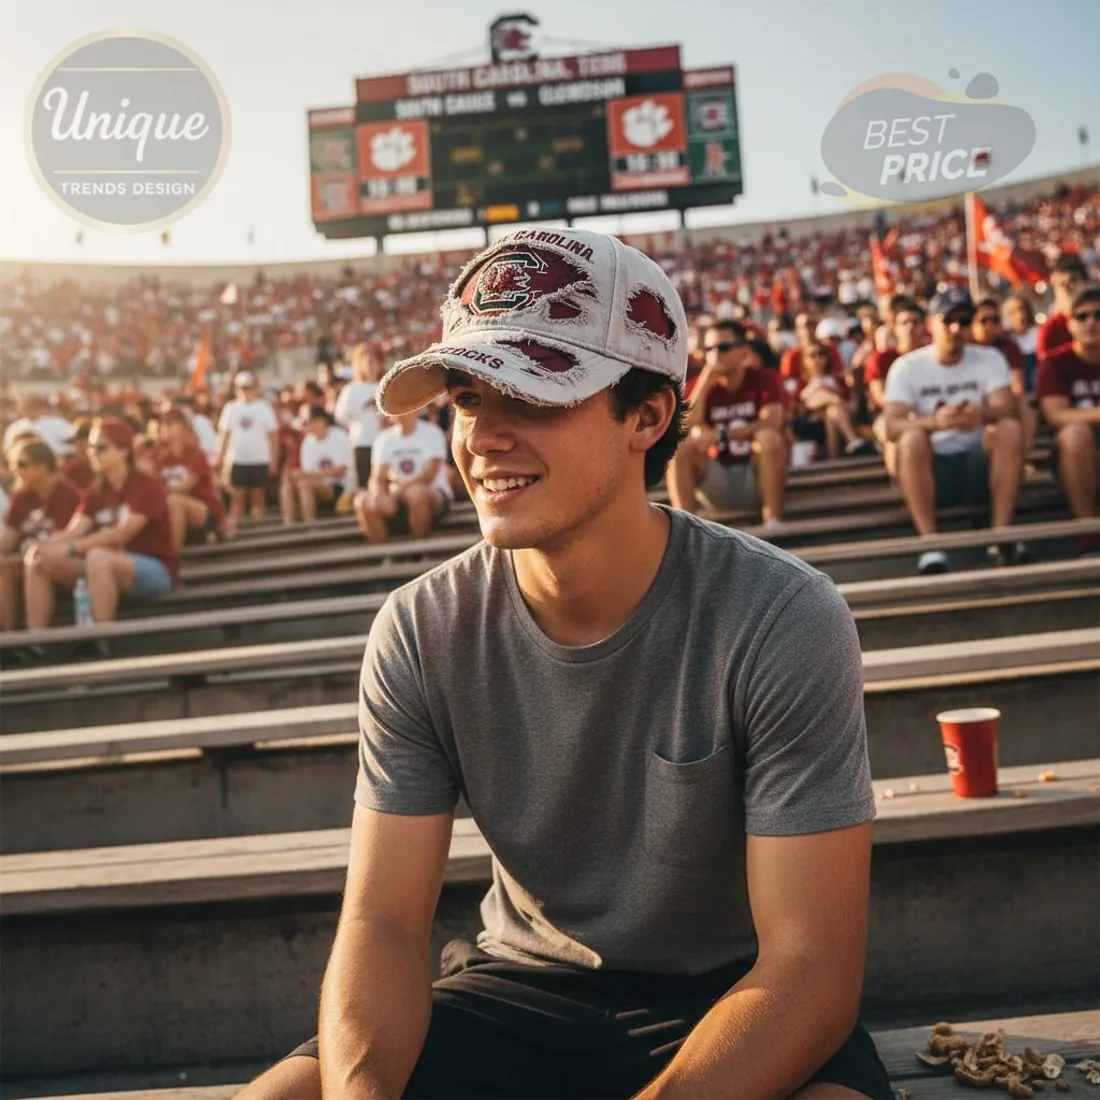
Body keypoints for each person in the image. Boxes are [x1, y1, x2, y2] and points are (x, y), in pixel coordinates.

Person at [238, 226, 892, 1100]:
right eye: (468, 398)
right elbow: (385, 922)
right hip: (521, 984)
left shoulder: (780, 614)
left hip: (732, 994)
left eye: (536, 395)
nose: (482, 438)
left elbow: (809, 968)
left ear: (649, 415)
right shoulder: (421, 627)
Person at [884, 288, 1024, 574]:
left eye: (963, 320)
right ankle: (930, 541)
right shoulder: (907, 367)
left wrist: (981, 414)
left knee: (1008, 429)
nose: (956, 328)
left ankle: (1001, 535)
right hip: (932, 466)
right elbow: (891, 426)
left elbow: (1008, 408)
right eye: (948, 320)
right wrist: (934, 422)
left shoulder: (990, 357)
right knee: (910, 439)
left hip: (978, 461)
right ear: (931, 324)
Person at [23, 418, 178, 627]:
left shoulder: (145, 485)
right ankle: (36, 643)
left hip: (155, 569)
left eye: (101, 448)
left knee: (98, 557)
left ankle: (99, 639)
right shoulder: (96, 490)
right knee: (39, 559)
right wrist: (45, 546)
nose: (93, 453)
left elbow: (125, 532)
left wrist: (72, 548)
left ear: (124, 451)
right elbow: (74, 530)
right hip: (106, 566)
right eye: (90, 448)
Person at [667, 319, 787, 525]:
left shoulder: (764, 379)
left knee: (768, 439)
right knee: (680, 450)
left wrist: (721, 435)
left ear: (743, 353)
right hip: (717, 479)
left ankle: (772, 520)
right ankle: (684, 531)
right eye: (709, 348)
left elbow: (771, 423)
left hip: (757, 477)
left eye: (723, 347)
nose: (715, 354)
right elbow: (682, 428)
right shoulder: (700, 386)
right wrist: (706, 380)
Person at [1036, 284, 1100, 552]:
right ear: (1070, 324)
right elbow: (1056, 414)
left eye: (1099, 316)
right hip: (1072, 453)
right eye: (1082, 317)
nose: (1091, 323)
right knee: (1076, 434)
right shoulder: (1054, 361)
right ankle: (1088, 530)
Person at [0, 439, 82, 631]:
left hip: (55, 559)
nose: (16, 471)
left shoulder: (68, 495)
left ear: (42, 466)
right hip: (22, 558)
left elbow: (64, 541)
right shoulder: (22, 497)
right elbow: (10, 534)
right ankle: (8, 638)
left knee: (8, 566)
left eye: (22, 465)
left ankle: (27, 637)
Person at [354, 410, 452, 543]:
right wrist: (379, 494)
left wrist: (397, 492)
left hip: (433, 492)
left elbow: (429, 475)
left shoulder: (432, 432)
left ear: (416, 412)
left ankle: (420, 550)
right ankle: (383, 555)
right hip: (397, 495)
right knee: (363, 501)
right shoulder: (384, 438)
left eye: (405, 410)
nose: (401, 414)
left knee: (415, 494)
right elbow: (377, 476)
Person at [865, 300, 926, 477]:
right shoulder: (881, 359)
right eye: (904, 322)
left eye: (916, 322)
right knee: (892, 429)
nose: (911, 327)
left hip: (928, 411)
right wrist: (907, 413)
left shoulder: (932, 355)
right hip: (889, 414)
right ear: (895, 328)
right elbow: (880, 396)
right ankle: (897, 481)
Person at [971, 297, 1036, 457]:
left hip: (1003, 399)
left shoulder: (1009, 347)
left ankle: (1024, 455)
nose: (990, 325)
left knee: (1026, 403)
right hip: (972, 399)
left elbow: (1017, 384)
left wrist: (1006, 402)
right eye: (984, 320)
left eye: (995, 319)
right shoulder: (966, 347)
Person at [215, 370, 279, 527]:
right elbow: (224, 436)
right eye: (242, 387)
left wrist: (273, 460)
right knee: (237, 499)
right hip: (237, 459)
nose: (245, 391)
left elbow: (273, 436)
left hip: (259, 459)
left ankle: (259, 531)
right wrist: (220, 459)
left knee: (258, 499)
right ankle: (239, 531)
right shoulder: (230, 408)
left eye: (249, 387)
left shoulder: (263, 407)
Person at [155, 408, 224, 550]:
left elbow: (184, 487)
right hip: (171, 511)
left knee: (174, 500)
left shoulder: (196, 454)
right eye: (163, 422)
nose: (165, 426)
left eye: (171, 422)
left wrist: (161, 490)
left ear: (185, 426)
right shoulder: (160, 458)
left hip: (201, 511)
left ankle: (171, 556)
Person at [334, 343, 385, 488]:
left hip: (385, 441)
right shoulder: (352, 389)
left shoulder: (387, 386)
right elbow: (341, 417)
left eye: (374, 361)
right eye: (366, 362)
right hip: (362, 442)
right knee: (364, 484)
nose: (370, 366)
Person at [293, 405, 353, 523]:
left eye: (308, 422)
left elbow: (340, 472)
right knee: (288, 484)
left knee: (305, 484)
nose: (306, 426)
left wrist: (308, 475)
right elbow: (309, 471)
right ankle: (289, 521)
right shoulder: (308, 441)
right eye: (304, 423)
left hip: (343, 486)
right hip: (322, 484)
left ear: (321, 421)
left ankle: (309, 522)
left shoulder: (338, 436)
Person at [1037, 253, 1089, 359]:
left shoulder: (1095, 318)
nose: (1067, 289)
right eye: (1062, 284)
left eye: (1073, 281)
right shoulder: (1051, 329)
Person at [1, 395, 75, 458]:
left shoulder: (58, 423)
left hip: (55, 460)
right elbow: (8, 448)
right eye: (26, 407)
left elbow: (72, 442)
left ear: (40, 407)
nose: (29, 410)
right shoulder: (15, 427)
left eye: (32, 406)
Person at [1002, 294, 1039, 390]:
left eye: (1022, 309)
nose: (1020, 315)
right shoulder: (1005, 340)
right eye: (1013, 312)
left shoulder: (1039, 334)